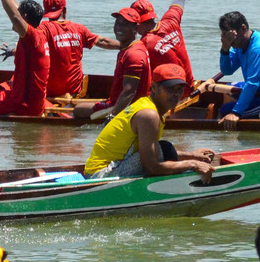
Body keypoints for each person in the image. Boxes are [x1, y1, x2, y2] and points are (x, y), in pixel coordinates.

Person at [85, 64, 216, 179]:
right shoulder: (148, 114)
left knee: (165, 148)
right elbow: (152, 168)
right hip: (101, 176)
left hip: (109, 168)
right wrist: (192, 164)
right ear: (153, 87)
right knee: (163, 149)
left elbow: (148, 151)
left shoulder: (151, 108)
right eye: (169, 88)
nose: (176, 94)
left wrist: (191, 155)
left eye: (179, 89)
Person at [200, 11, 260, 128]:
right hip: (259, 89)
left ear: (242, 28)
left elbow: (252, 84)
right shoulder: (239, 43)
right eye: (225, 36)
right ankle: (233, 118)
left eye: (231, 37)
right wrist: (225, 49)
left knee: (226, 110)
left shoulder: (258, 48)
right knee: (227, 89)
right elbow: (227, 70)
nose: (229, 41)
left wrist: (236, 113)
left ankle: (231, 120)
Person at [74, 6, 154, 123]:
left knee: (78, 110)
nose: (119, 28)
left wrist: (111, 117)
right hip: (122, 102)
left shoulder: (133, 54)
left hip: (129, 107)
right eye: (117, 23)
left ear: (136, 28)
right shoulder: (129, 48)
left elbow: (129, 92)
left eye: (125, 24)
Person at [38, 0, 118, 100]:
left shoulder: (42, 29)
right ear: (65, 10)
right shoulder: (79, 29)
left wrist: (14, 52)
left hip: (49, 94)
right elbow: (103, 41)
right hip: (74, 94)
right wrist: (127, 45)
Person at [139, 0, 196, 88]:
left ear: (137, 24)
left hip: (171, 95)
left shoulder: (144, 44)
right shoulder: (171, 20)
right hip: (188, 85)